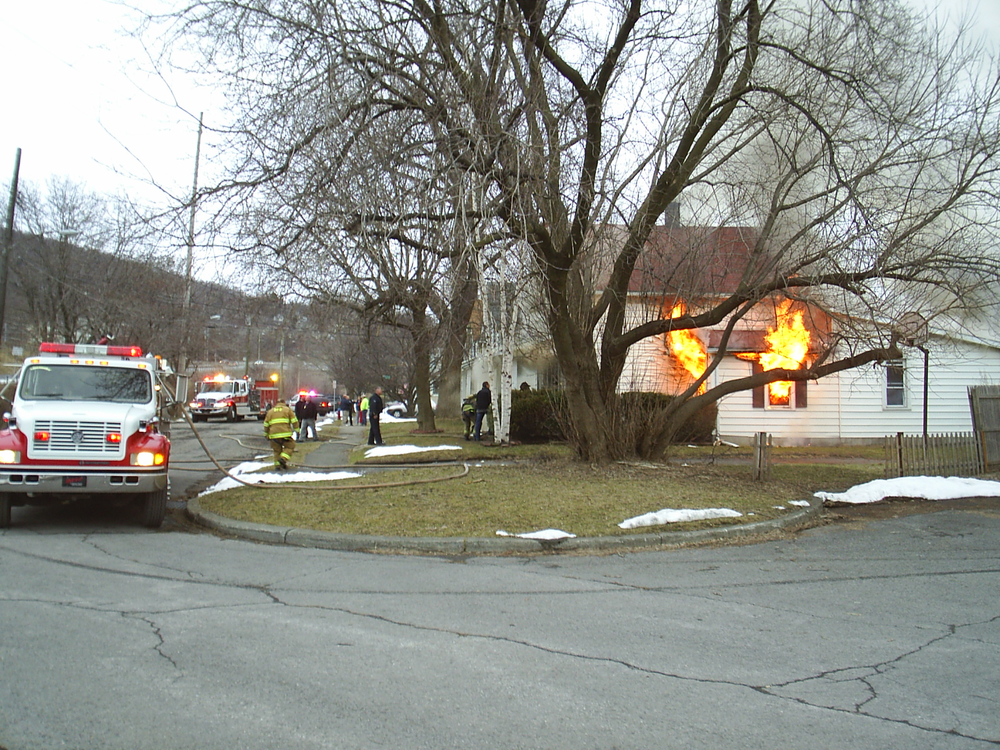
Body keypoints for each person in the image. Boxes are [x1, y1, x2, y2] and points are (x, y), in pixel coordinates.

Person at [263, 400, 298, 470]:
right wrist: (297, 430)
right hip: (285, 434)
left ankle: (277, 466)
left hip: (273, 435)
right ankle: (283, 458)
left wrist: (266, 434)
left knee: (276, 451)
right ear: (284, 403)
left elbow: (266, 424)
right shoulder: (287, 410)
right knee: (290, 446)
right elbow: (294, 421)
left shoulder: (270, 412)